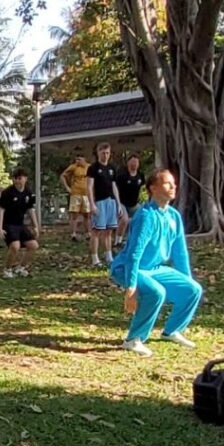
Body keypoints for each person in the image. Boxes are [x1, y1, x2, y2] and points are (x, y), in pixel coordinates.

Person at [109, 168, 202, 357]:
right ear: (153, 188)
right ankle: (133, 340)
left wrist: (187, 280)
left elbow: (180, 253)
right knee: (156, 292)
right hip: (128, 268)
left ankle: (172, 331)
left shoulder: (173, 216)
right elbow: (134, 253)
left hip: (155, 269)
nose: (173, 187)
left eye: (174, 183)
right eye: (168, 183)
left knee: (193, 289)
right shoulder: (145, 216)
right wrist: (131, 287)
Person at [0, 169, 39, 278]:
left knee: (33, 245)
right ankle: (7, 269)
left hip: (20, 224)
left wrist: (35, 226)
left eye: (20, 178)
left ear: (25, 179)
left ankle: (21, 268)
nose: (17, 181)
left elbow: (30, 209)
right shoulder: (7, 192)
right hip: (8, 224)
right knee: (15, 246)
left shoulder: (28, 192)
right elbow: (1, 210)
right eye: (15, 178)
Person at [87, 143, 119, 267]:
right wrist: (92, 204)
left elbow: (114, 186)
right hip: (99, 201)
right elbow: (89, 186)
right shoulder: (93, 168)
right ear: (98, 153)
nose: (105, 155)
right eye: (103, 153)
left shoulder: (112, 168)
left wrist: (118, 203)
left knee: (109, 231)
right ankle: (95, 258)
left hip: (111, 201)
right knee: (97, 231)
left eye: (107, 153)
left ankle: (109, 255)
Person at [115, 153, 147, 246]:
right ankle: (118, 241)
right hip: (122, 202)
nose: (134, 164)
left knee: (143, 217)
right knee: (124, 220)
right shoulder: (122, 175)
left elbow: (143, 189)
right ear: (128, 163)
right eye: (132, 162)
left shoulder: (140, 175)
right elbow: (115, 187)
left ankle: (134, 238)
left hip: (134, 203)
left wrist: (143, 199)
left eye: (136, 162)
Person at [61, 153, 92, 241]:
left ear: (84, 159)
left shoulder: (89, 167)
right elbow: (63, 176)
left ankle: (88, 233)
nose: (77, 161)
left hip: (86, 194)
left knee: (87, 215)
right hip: (76, 193)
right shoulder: (73, 167)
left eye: (79, 159)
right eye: (76, 159)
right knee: (74, 215)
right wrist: (67, 187)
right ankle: (73, 234)